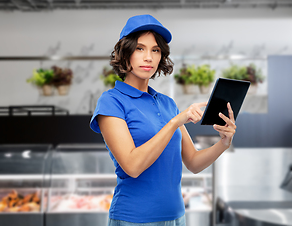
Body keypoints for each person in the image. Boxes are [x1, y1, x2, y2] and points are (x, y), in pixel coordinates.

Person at [90, 14, 236, 226]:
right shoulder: (111, 102)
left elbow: (193, 162)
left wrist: (223, 143)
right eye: (140, 48)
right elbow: (132, 166)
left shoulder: (168, 104)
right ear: (125, 53)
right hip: (134, 219)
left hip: (176, 217)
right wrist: (175, 122)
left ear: (161, 57)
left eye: (155, 50)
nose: (148, 57)